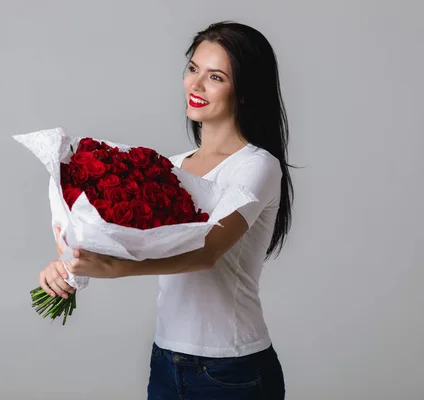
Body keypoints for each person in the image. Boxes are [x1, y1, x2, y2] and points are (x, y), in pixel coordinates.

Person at [39, 21, 293, 399]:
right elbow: (120, 239)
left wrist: (116, 270)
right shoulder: (170, 168)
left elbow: (206, 252)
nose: (196, 85)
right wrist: (68, 266)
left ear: (244, 91)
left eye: (216, 77)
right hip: (166, 359)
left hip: (231, 369)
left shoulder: (256, 166)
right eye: (193, 69)